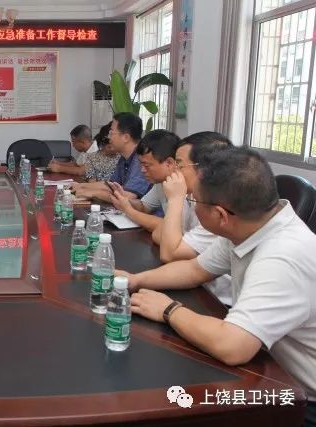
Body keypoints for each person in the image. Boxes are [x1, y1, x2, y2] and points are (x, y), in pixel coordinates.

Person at [121, 147, 316, 426]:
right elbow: (194, 270)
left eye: (194, 200)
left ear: (220, 214)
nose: (192, 204)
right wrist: (135, 279)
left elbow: (232, 346)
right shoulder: (249, 225)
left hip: (301, 400)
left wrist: (169, 309)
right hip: (271, 366)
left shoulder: (283, 256)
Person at [155, 132, 233, 305]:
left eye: (179, 165)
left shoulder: (218, 209)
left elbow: (168, 254)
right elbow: (158, 235)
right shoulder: (190, 195)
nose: (174, 171)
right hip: (193, 283)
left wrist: (175, 200)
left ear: (205, 170)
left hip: (217, 300)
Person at [107, 129, 180, 233]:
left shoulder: (183, 187)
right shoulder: (161, 182)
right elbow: (144, 207)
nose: (142, 170)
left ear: (169, 163)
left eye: (147, 165)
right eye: (141, 164)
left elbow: (166, 225)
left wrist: (128, 210)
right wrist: (124, 199)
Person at [73, 112, 151, 202]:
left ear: (126, 137)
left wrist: (92, 193)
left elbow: (128, 197)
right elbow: (110, 185)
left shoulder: (141, 159)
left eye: (111, 132)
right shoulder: (124, 158)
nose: (109, 138)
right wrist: (81, 186)